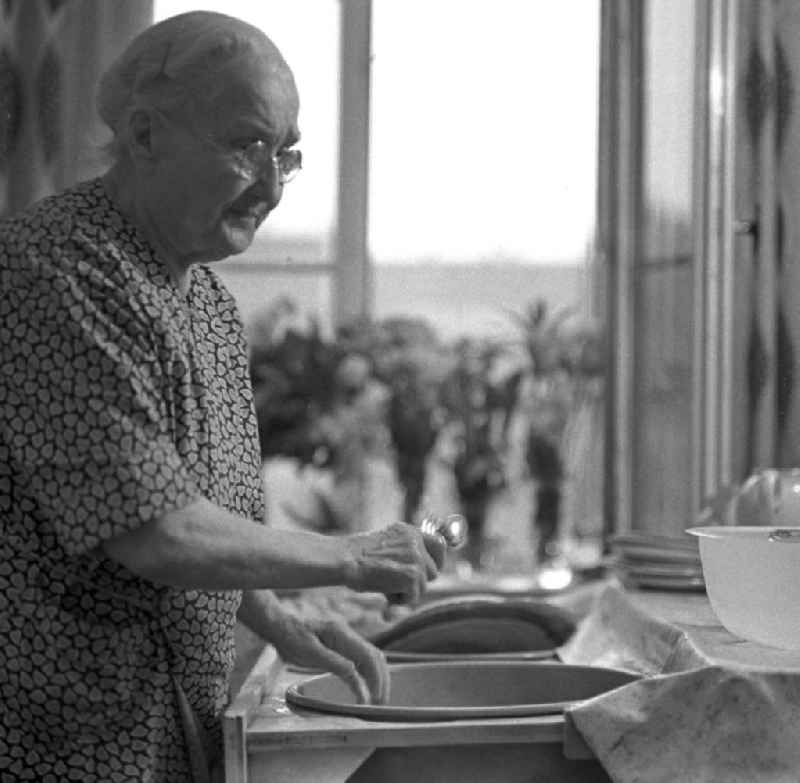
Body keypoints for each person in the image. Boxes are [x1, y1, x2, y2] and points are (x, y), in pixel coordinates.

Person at [0, 11, 444, 783]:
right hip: (60, 744)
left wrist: (276, 614)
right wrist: (350, 554)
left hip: (169, 724)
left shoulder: (207, 300)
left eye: (287, 154)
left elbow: (212, 523)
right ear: (144, 137)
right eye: (247, 146)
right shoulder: (55, 271)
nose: (273, 185)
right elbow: (155, 532)